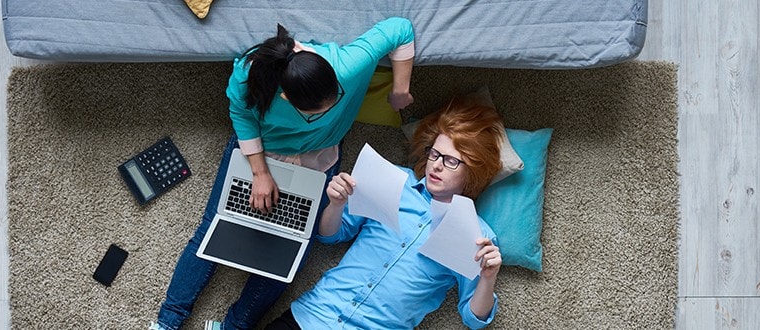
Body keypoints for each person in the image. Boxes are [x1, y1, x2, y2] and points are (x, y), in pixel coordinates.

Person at [151, 17, 416, 330]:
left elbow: (401, 28)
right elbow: (241, 115)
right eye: (318, 111)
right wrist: (260, 173)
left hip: (319, 156)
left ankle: (233, 327)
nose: (331, 109)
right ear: (286, 98)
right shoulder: (250, 75)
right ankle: (168, 321)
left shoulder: (345, 65)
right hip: (262, 151)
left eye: (335, 101)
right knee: (217, 226)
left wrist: (400, 88)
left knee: (295, 247)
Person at [265, 96, 506, 329]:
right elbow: (329, 236)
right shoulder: (394, 179)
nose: (437, 164)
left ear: (473, 170)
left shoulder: (476, 233)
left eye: (451, 160)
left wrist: (487, 277)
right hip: (314, 315)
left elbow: (474, 318)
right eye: (434, 153)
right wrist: (337, 204)